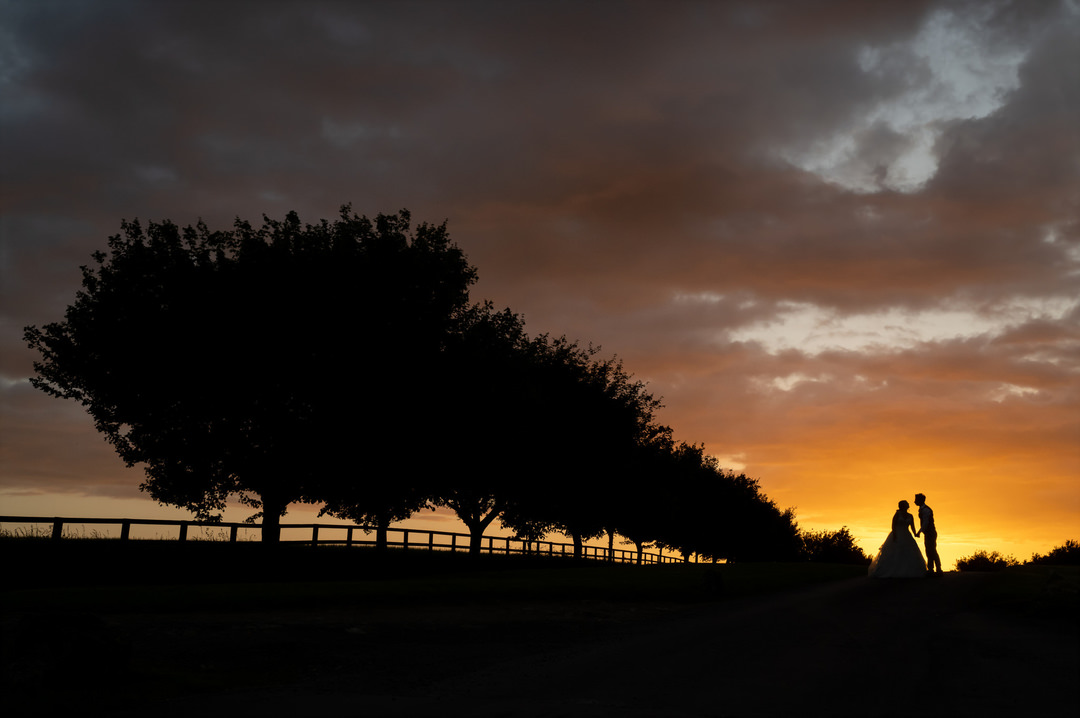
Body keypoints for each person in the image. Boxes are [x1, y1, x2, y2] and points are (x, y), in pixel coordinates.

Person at [868, 500, 926, 578]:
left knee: (908, 552)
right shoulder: (897, 514)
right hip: (897, 534)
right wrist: (895, 535)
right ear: (903, 506)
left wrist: (916, 534)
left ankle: (908, 570)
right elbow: (893, 525)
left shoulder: (910, 516)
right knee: (895, 552)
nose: (908, 505)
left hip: (907, 535)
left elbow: (912, 527)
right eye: (906, 504)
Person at [914, 493, 943, 575]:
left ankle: (937, 569)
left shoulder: (926, 510)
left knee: (932, 550)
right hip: (928, 533)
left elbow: (925, 523)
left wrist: (919, 532)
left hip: (930, 532)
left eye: (916, 500)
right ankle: (932, 569)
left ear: (920, 500)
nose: (914, 501)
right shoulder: (923, 509)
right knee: (929, 550)